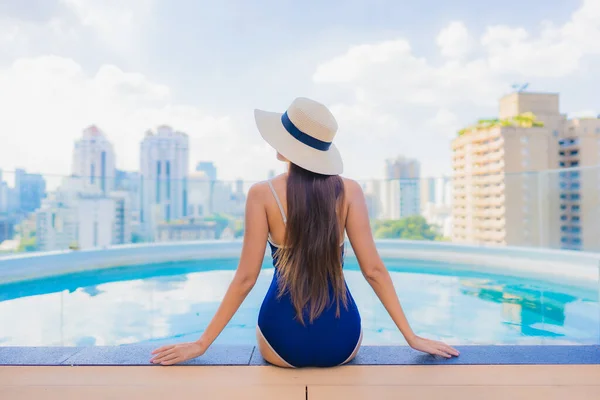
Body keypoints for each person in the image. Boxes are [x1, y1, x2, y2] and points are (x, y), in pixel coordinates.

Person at [150, 97, 459, 367]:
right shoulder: (350, 191)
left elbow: (246, 278)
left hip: (280, 342)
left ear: (289, 147)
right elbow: (374, 271)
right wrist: (410, 336)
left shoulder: (262, 195)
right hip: (342, 341)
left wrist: (202, 344)